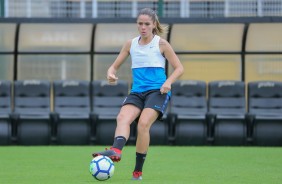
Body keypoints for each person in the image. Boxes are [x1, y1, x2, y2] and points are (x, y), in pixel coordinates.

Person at [92, 7, 184, 180]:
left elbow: (179, 68)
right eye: (140, 23)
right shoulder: (130, 44)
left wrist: (168, 82)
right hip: (137, 92)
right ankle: (116, 150)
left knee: (142, 124)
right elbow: (114, 66)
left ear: (153, 24)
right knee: (122, 118)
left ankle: (137, 171)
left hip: (158, 91)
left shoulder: (161, 44)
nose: (143, 27)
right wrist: (111, 73)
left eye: (146, 24)